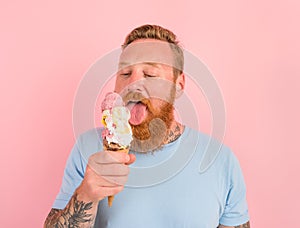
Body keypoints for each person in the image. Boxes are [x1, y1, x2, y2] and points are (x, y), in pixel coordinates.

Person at [44, 24, 250, 227]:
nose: (133, 83)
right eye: (125, 73)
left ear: (178, 85)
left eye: (150, 73)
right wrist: (86, 195)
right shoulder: (87, 147)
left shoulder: (220, 160)